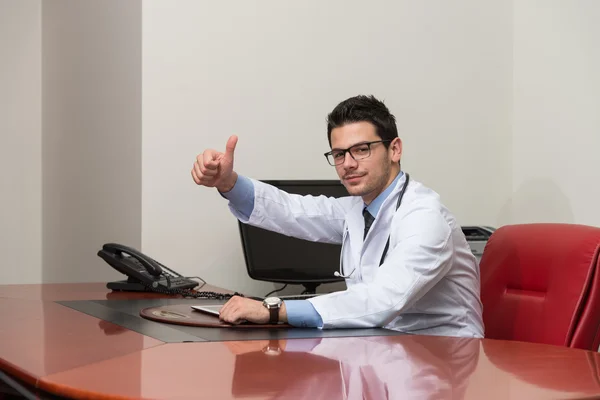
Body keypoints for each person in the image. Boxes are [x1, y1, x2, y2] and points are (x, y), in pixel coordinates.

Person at [191, 95, 484, 338]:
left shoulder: (425, 217)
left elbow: (384, 300)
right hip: (382, 348)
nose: (348, 164)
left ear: (394, 149)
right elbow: (293, 211)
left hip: (445, 361)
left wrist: (273, 309)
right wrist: (227, 182)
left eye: (361, 149)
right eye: (339, 154)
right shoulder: (357, 209)